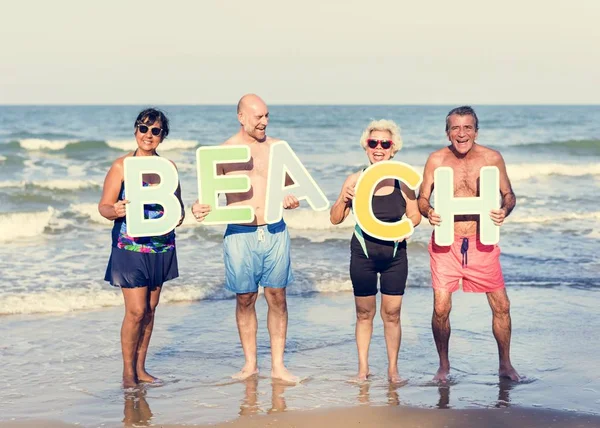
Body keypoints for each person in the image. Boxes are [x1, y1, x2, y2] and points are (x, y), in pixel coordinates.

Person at [192, 94, 300, 383]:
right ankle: (250, 364)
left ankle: (278, 365)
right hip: (240, 233)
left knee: (277, 297)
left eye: (266, 116)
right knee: (245, 298)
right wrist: (198, 207)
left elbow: (292, 187)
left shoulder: (278, 149)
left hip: (275, 229)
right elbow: (208, 197)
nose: (264, 122)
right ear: (241, 117)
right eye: (258, 117)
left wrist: (290, 199)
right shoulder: (224, 152)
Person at [417, 105, 521, 382]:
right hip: (445, 242)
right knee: (440, 307)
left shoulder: (491, 158)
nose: (461, 134)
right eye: (455, 128)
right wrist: (428, 211)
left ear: (476, 130)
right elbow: (422, 197)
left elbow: (509, 195)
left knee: (501, 305)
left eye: (467, 127)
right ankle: (443, 366)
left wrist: (504, 209)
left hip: (481, 240)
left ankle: (505, 365)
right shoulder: (436, 160)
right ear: (447, 132)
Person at [329, 120, 421, 383]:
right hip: (363, 254)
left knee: (392, 314)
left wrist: (406, 227)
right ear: (366, 147)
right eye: (373, 143)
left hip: (394, 254)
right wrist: (344, 198)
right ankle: (363, 369)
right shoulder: (355, 180)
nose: (378, 148)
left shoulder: (402, 182)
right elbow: (335, 218)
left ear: (393, 149)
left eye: (385, 143)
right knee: (364, 313)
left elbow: (415, 216)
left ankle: (393, 370)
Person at [99, 108, 184, 388]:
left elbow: (177, 207)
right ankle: (127, 373)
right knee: (135, 311)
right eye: (143, 128)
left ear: (162, 136)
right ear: (135, 130)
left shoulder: (168, 169)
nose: (148, 135)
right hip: (130, 246)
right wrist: (115, 209)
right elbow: (104, 206)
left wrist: (180, 215)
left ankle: (141, 368)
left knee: (150, 309)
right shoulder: (122, 166)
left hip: (161, 245)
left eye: (155, 130)